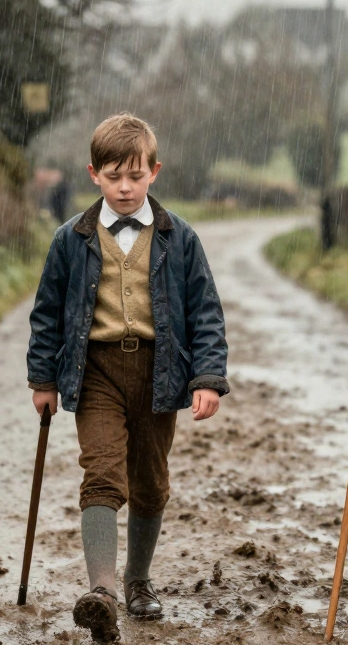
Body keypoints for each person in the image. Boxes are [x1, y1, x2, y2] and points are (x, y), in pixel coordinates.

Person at [26, 114, 229, 643]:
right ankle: (102, 591)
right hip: (95, 372)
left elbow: (206, 311)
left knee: (149, 481)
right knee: (101, 473)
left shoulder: (179, 238)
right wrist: (42, 379)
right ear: (93, 173)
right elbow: (47, 314)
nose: (123, 186)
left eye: (134, 176)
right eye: (113, 175)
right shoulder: (71, 238)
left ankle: (139, 581)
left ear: (154, 173)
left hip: (160, 373)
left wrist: (206, 377)